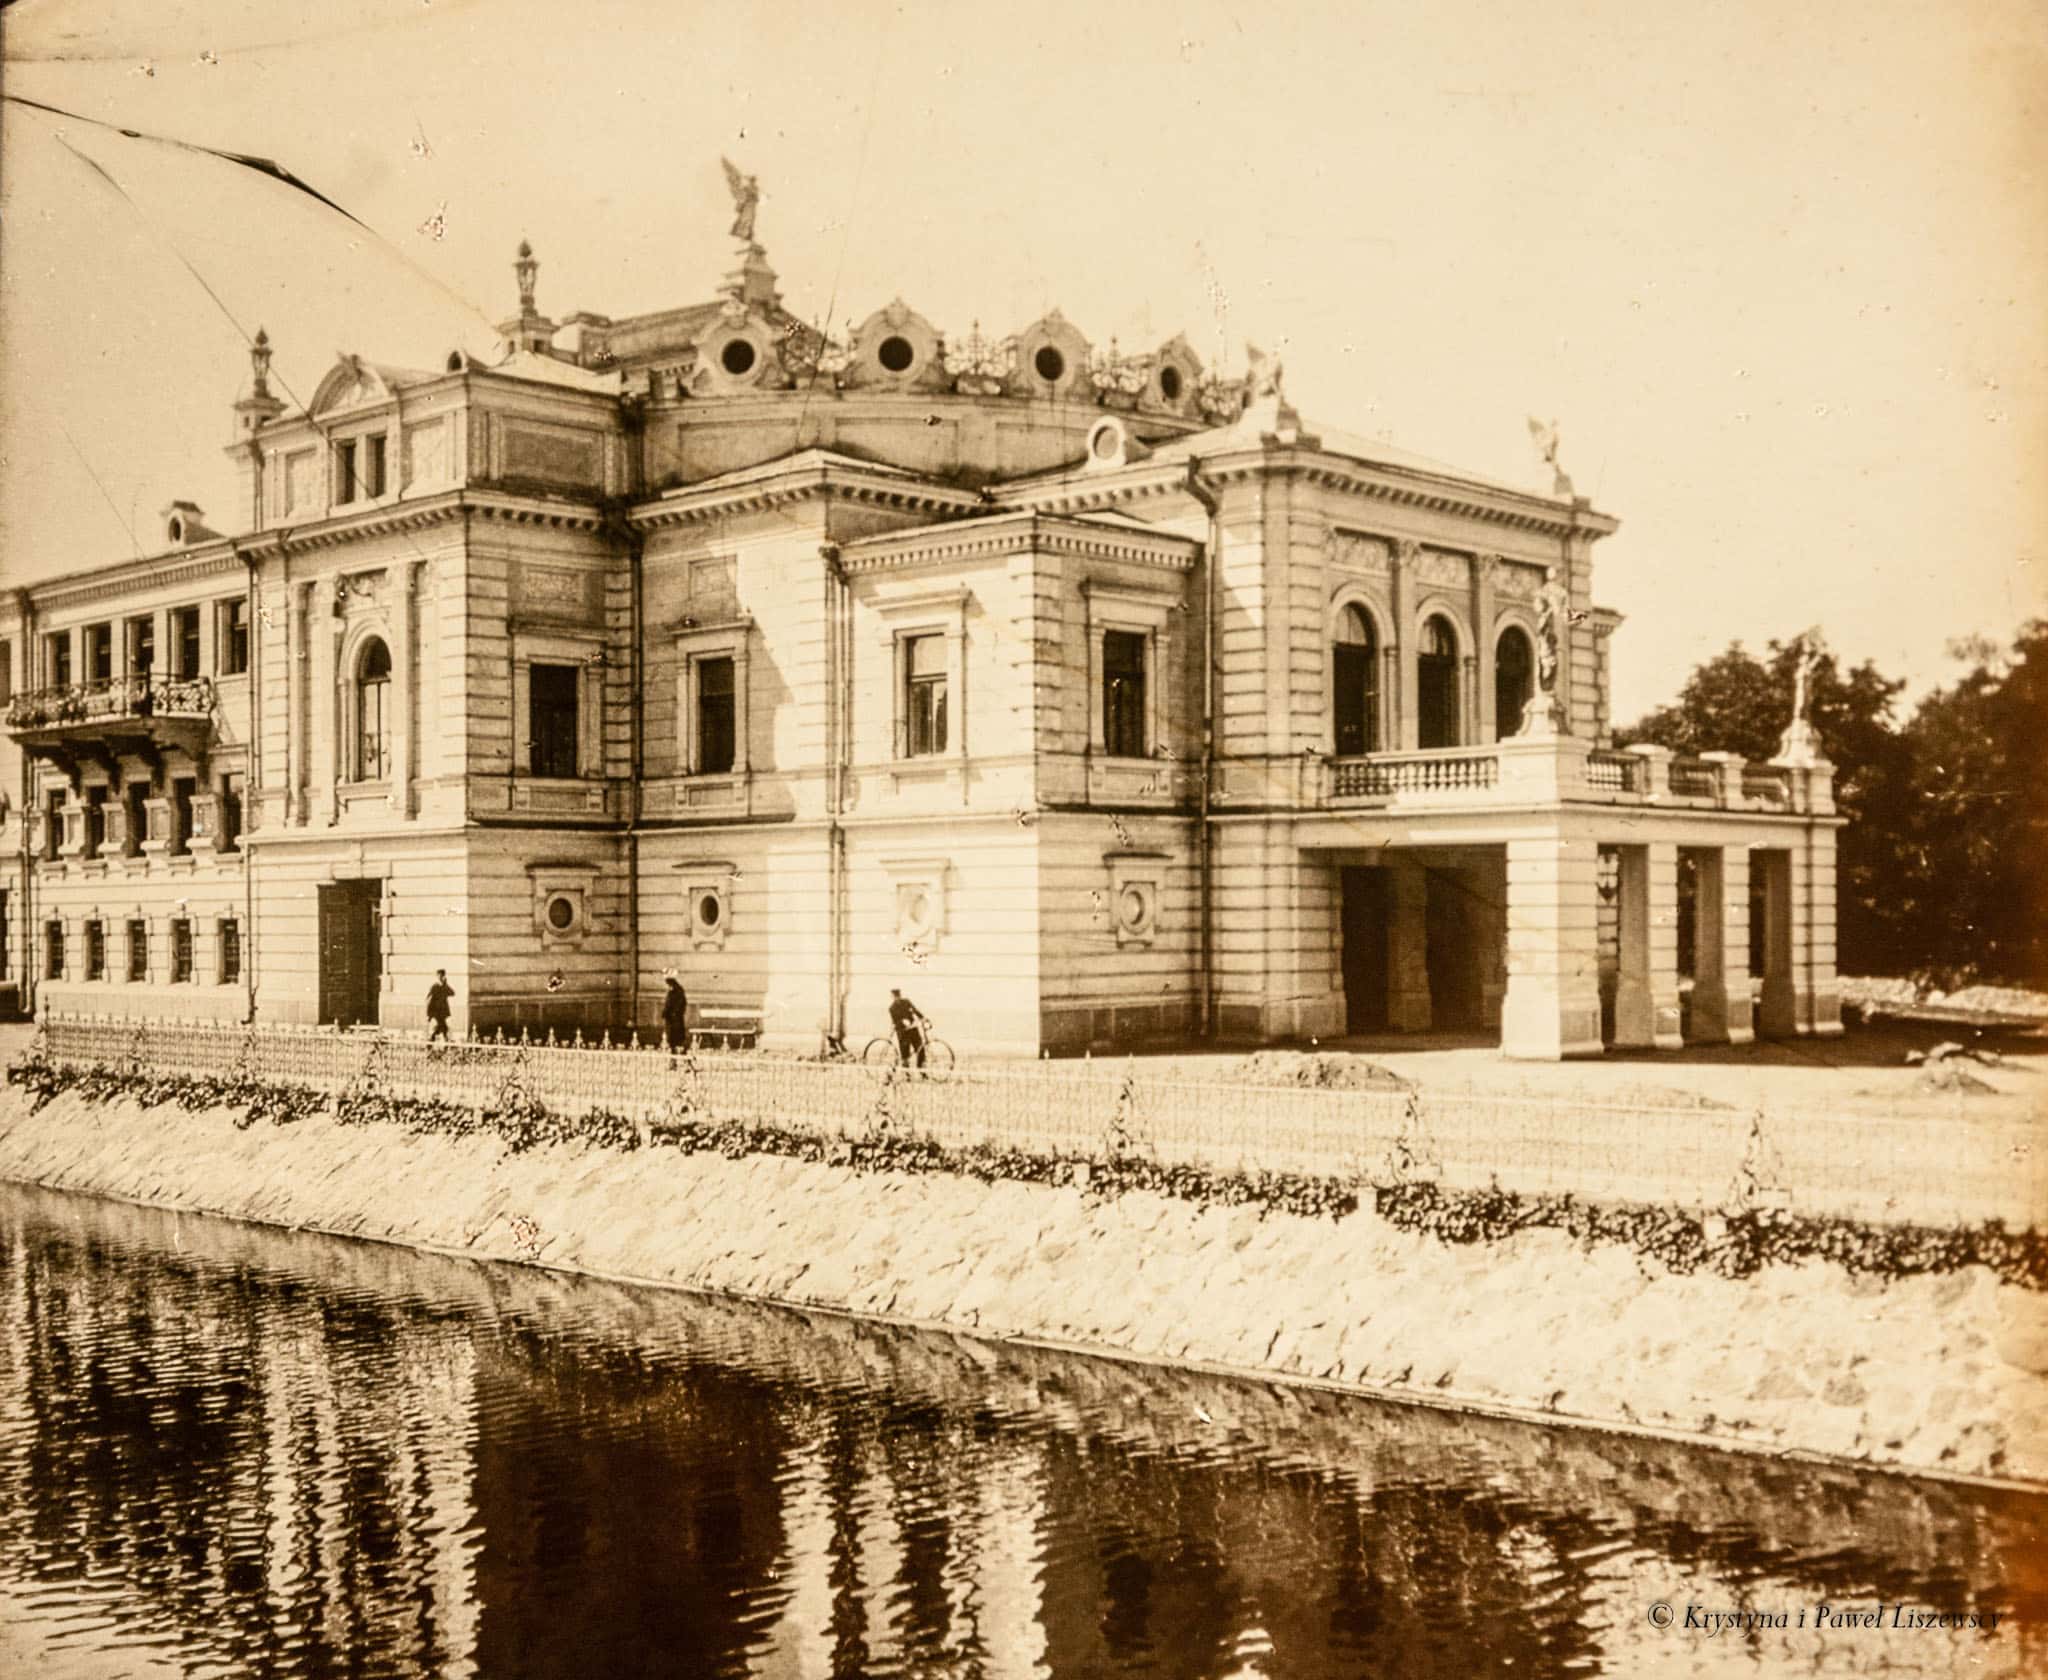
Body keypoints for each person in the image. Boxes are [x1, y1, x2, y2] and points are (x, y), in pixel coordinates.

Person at [887, 988, 927, 1069]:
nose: (897, 998)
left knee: (920, 1049)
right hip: (903, 1032)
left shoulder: (906, 1002)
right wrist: (902, 1022)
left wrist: (923, 1018)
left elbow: (915, 1010)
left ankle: (922, 1071)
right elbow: (895, 1022)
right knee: (905, 1054)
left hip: (913, 1030)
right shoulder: (892, 1008)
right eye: (895, 996)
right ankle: (907, 1075)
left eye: (898, 996)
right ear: (893, 997)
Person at [662, 975, 690, 1052]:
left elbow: (680, 1003)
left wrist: (673, 1012)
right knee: (672, 1037)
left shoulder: (677, 991)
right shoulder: (673, 991)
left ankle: (676, 1049)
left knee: (676, 1037)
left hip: (675, 1019)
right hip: (672, 1018)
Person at [425, 969, 454, 1042]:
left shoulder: (444, 986)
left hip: (443, 1011)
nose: (440, 977)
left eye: (442, 976)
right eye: (439, 975)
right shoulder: (435, 986)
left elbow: (452, 993)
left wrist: (445, 984)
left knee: (443, 1027)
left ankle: (433, 1039)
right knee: (443, 1026)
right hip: (436, 1011)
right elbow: (429, 998)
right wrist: (429, 1014)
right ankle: (434, 1039)